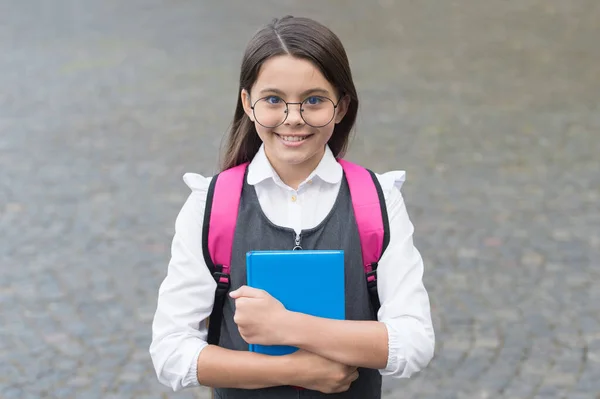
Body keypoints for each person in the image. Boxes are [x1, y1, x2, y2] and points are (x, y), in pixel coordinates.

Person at [149, 15, 435, 398]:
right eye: (273, 100)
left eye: (314, 100)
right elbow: (170, 353)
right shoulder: (210, 205)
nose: (294, 119)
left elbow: (414, 341)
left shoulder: (378, 200)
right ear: (248, 103)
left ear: (342, 106)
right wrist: (294, 369)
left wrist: (288, 326)